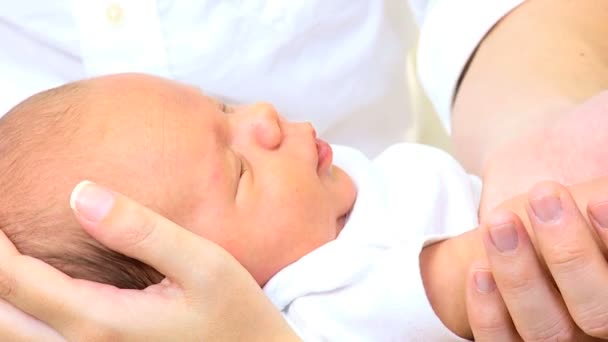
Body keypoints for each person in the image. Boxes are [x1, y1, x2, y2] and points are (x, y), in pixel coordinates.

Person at [3, 73, 608, 340]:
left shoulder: (322, 213)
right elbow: (519, 249)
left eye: (222, 107)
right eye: (238, 171)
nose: (262, 118)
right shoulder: (330, 299)